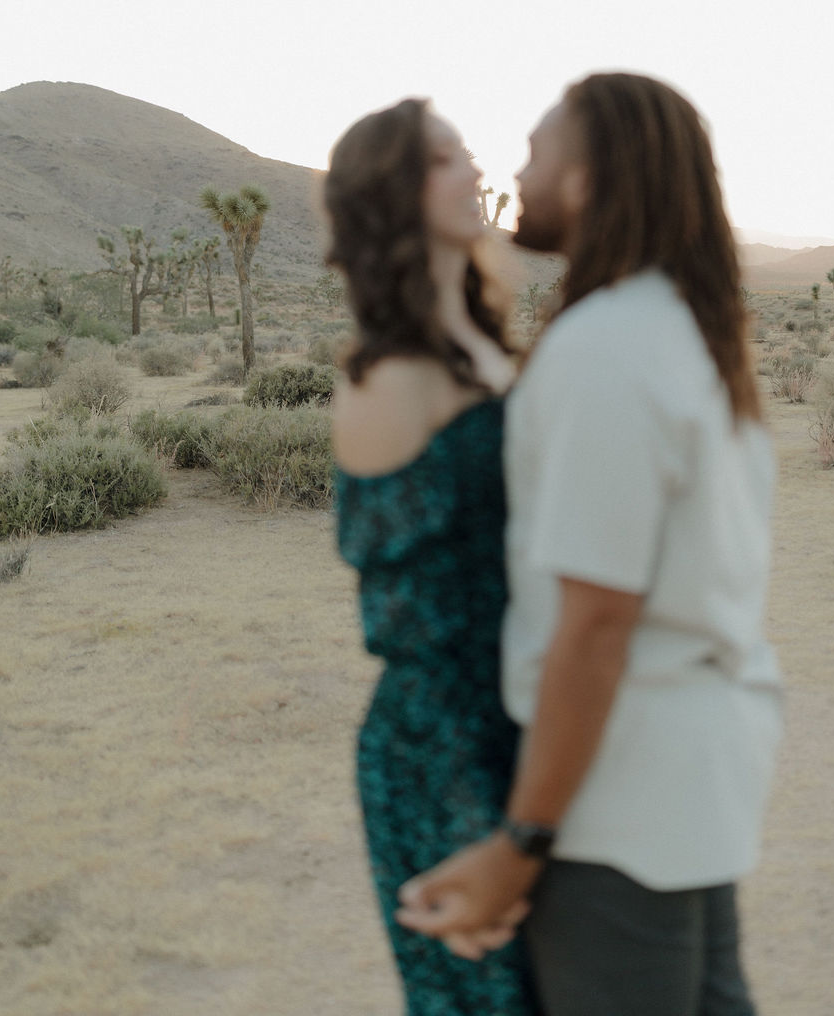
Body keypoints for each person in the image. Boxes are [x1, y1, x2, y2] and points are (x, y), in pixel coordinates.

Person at [397, 73, 784, 1016]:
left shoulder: (605, 348)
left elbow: (597, 623)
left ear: (590, 176)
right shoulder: (684, 331)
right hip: (689, 779)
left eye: (535, 151)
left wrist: (521, 840)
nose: (517, 172)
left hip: (619, 800)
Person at [326, 97, 541, 1016]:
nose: (474, 170)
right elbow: (414, 603)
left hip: (521, 713)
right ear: (395, 193)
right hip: (441, 739)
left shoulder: (486, 350)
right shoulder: (388, 375)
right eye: (447, 157)